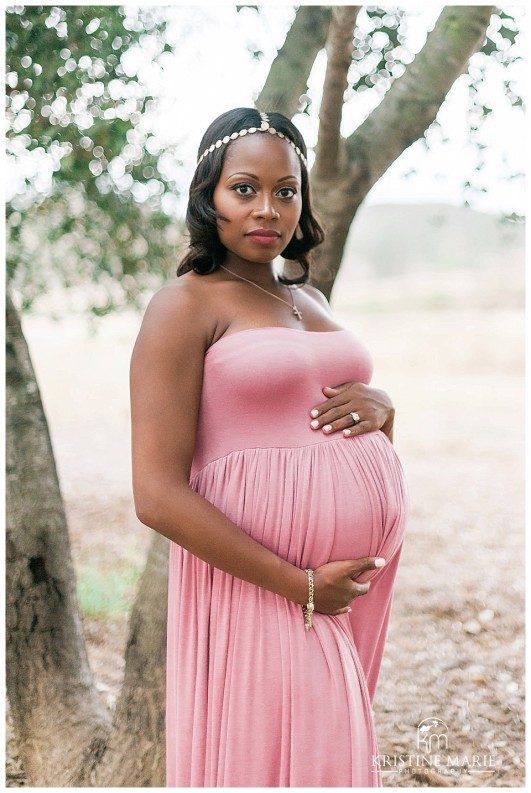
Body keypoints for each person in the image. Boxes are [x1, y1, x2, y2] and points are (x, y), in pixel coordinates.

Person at [130, 107, 407, 787]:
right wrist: (299, 584)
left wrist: (384, 410)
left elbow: (320, 421)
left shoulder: (304, 295)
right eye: (244, 188)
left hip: (335, 586)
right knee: (287, 758)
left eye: (285, 190)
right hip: (265, 585)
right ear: (208, 196)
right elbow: (155, 495)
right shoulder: (185, 304)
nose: (268, 208)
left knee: (325, 758)